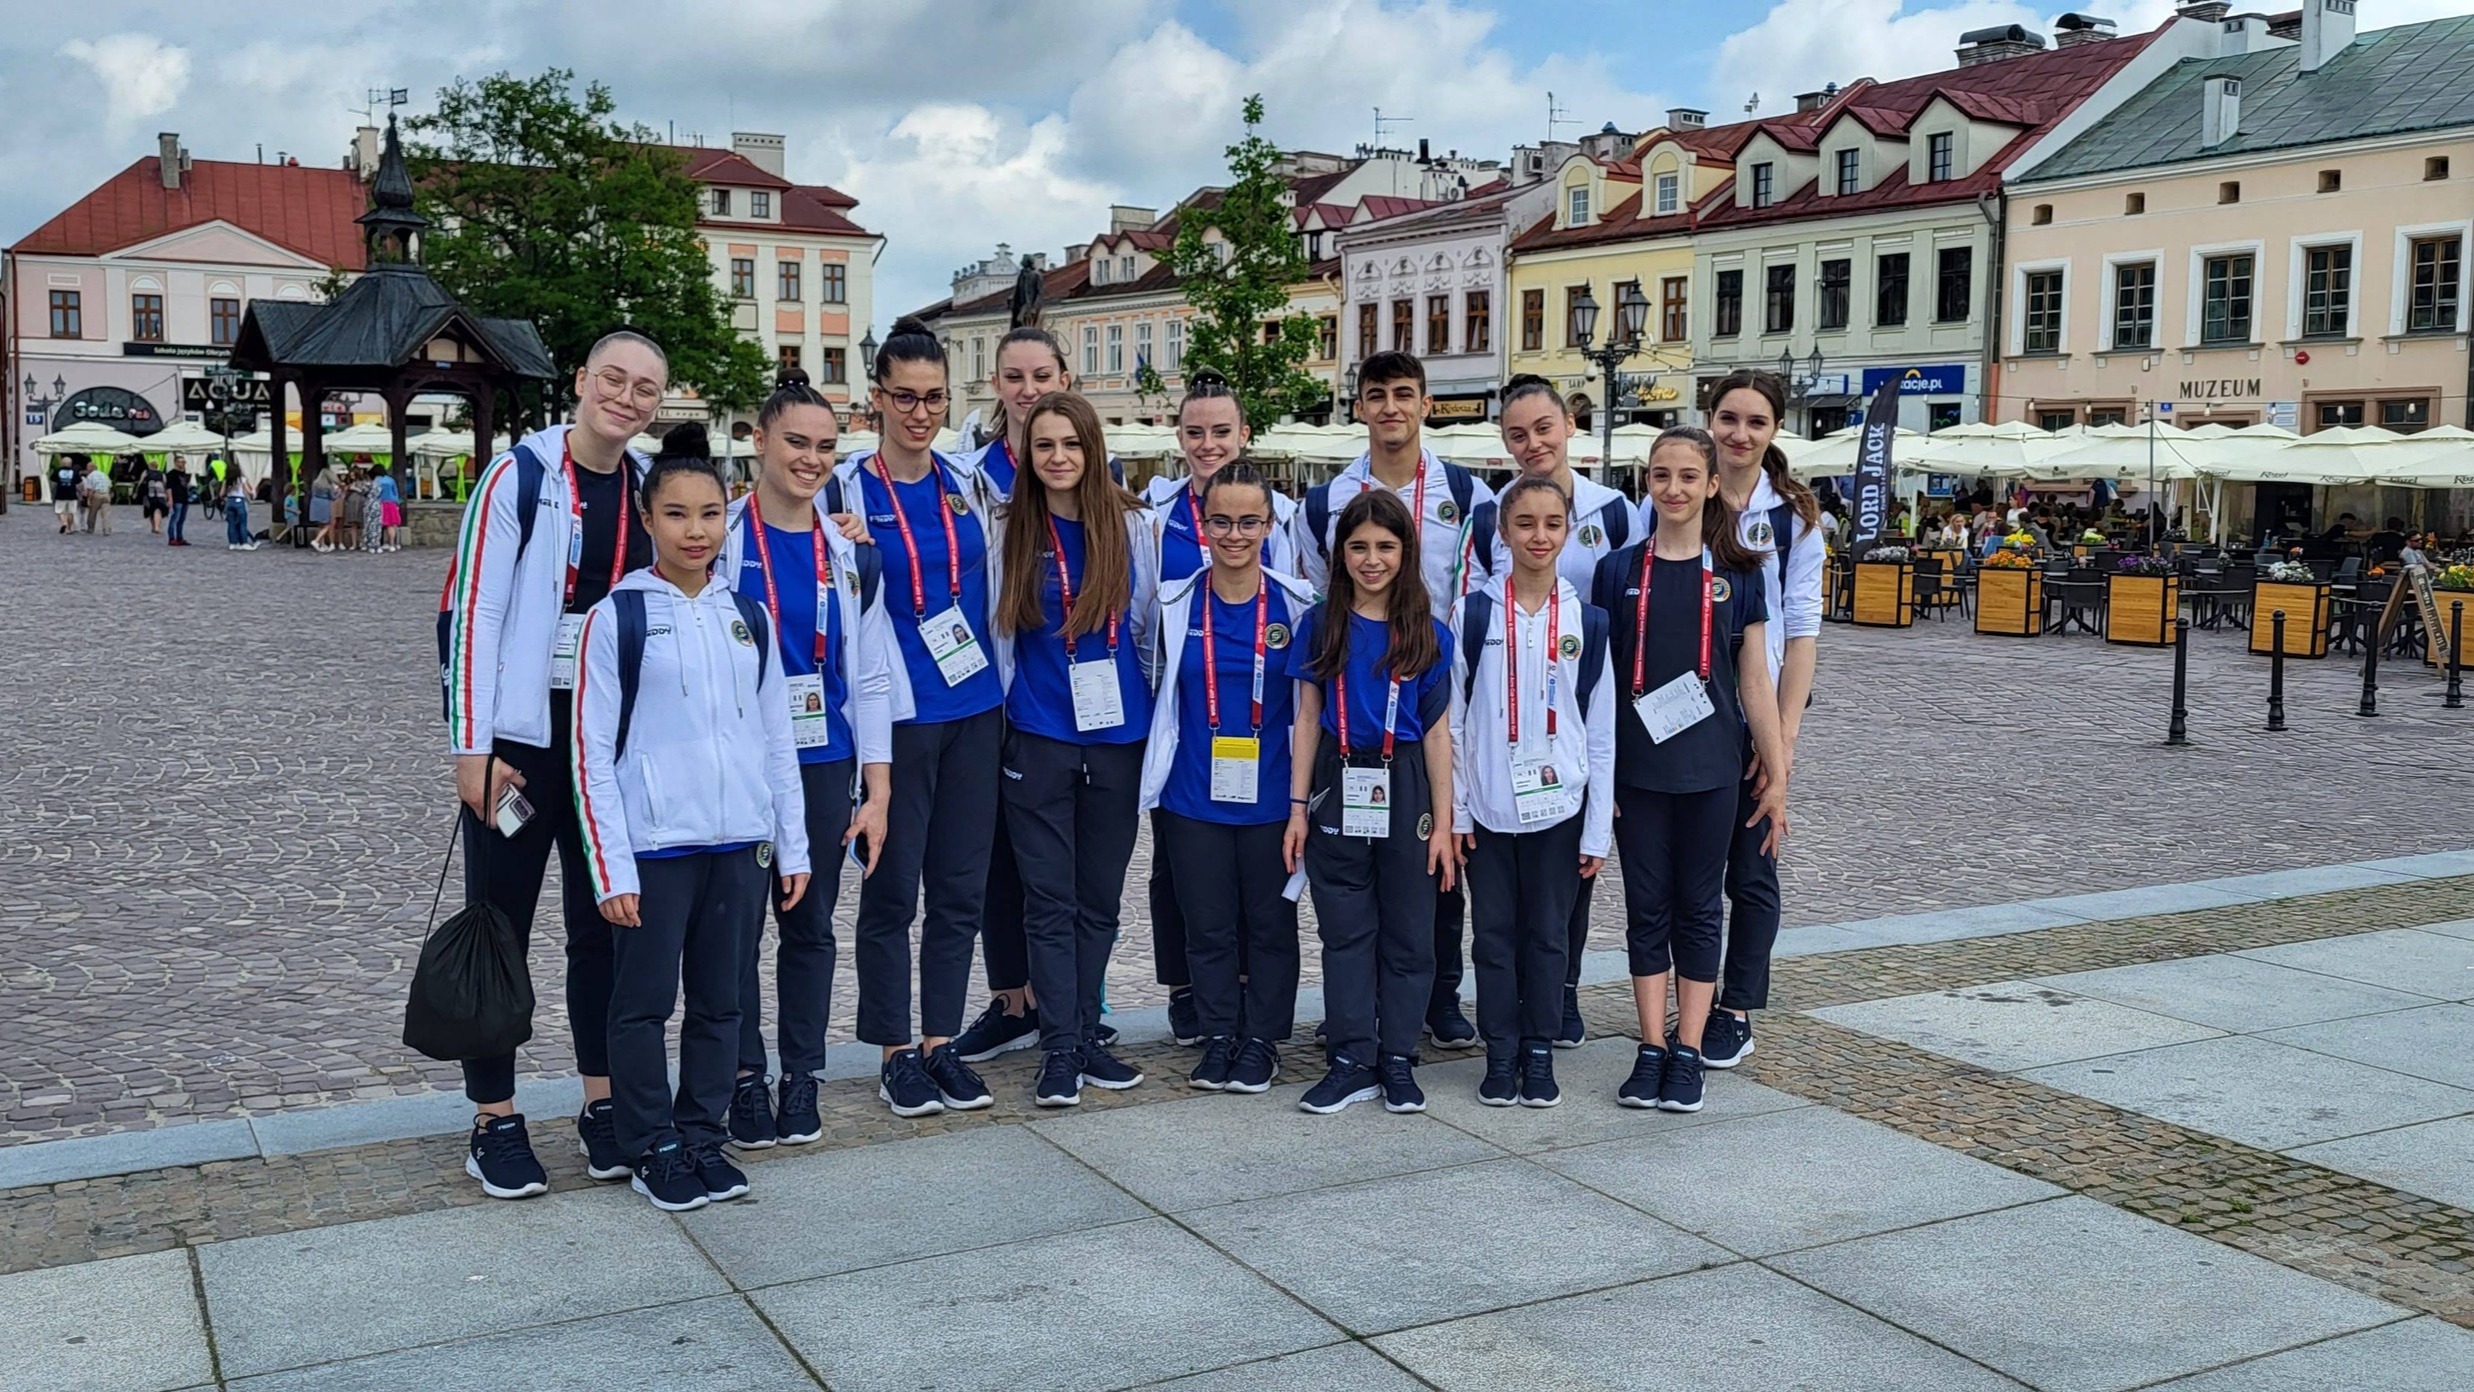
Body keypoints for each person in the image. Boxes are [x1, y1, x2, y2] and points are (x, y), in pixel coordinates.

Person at [438, 328, 663, 1198]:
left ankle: (601, 1102)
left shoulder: (645, 487)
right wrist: (471, 749)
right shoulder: (520, 477)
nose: (628, 398)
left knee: (603, 925)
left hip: (601, 747)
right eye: (615, 378)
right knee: (499, 929)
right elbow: (473, 615)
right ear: (581, 380)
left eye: (645, 389)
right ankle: (492, 1116)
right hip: (520, 748)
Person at [571, 428, 812, 1211]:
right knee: (642, 1005)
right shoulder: (619, 618)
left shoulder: (748, 616)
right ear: (649, 520)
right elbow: (591, 754)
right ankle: (651, 1144)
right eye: (677, 514)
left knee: (722, 1002)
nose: (695, 529)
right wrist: (611, 867)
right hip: (655, 847)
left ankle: (702, 1134)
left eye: (710, 513)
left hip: (739, 843)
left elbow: (776, 738)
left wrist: (792, 845)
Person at [1290, 349, 1493, 1053]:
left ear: (1425, 403)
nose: (1390, 409)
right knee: (1357, 885)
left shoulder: (1467, 494)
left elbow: (1483, 592)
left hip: (1442, 685)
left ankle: (1435, 999)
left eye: (1404, 394)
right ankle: (1354, 1012)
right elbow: (1322, 594)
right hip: (1359, 700)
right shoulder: (1328, 501)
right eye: (1376, 395)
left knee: (1435, 857)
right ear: (1360, 406)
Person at [831, 315, 1007, 1118]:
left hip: (976, 708)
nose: (920, 412)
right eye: (904, 397)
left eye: (934, 397)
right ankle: (895, 1049)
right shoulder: (844, 492)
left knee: (960, 889)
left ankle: (940, 1041)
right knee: (892, 891)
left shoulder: (968, 484)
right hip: (896, 721)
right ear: (876, 400)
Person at [717, 376, 894, 1149]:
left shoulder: (850, 554)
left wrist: (878, 788)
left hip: (825, 759)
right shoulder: (716, 537)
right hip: (742, 759)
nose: (811, 460)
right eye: (796, 442)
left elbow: (875, 674)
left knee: (810, 923)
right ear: (760, 440)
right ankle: (744, 1076)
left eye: (826, 448)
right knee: (734, 928)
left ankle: (802, 1076)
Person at [1593, 427, 1789, 1112]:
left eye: (1686, 476)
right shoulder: (1618, 572)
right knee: (1647, 909)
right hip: (1638, 773)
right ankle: (1650, 1046)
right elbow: (1602, 683)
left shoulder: (1738, 575)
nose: (1672, 489)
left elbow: (1757, 682)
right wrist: (1599, 778)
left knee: (1700, 909)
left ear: (1711, 485)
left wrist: (1779, 771)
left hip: (1713, 773)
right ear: (1646, 483)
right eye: (1659, 476)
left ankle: (1690, 1049)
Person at [989, 390, 1158, 1107]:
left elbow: (1148, 626)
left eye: (1071, 445)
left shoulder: (1131, 526)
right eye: (1044, 445)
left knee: (1100, 901)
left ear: (1093, 451)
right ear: (1027, 454)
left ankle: (1088, 1031)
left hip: (1118, 737)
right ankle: (1060, 1047)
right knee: (1048, 902)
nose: (1058, 458)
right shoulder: (1007, 529)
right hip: (1040, 735)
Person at [1128, 370, 1300, 1051]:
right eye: (1195, 432)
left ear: (1243, 434)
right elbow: (1147, 638)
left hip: (1263, 756)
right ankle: (1199, 1004)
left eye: (1220, 431)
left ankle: (1258, 1020)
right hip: (1192, 754)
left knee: (1263, 905)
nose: (1208, 444)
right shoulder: (1154, 517)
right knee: (1190, 893)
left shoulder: (1283, 548)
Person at [1478, 374, 1639, 1049]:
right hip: (1511, 719)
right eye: (1517, 434)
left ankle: (1561, 992)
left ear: (1568, 425)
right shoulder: (1494, 510)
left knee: (1571, 873)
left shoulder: (1617, 510)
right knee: (1508, 895)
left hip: (1579, 711)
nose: (1532, 443)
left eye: (1543, 427)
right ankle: (1514, 1006)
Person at [1284, 488, 1457, 1116]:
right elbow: (1307, 718)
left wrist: (1443, 823)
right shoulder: (1320, 622)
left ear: (1406, 552)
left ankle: (1398, 1057)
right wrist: (1298, 808)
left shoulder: (1429, 633)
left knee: (1410, 932)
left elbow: (1438, 732)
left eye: (1386, 546)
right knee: (1345, 929)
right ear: (1340, 554)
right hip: (1340, 778)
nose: (1372, 559)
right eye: (1359, 546)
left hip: (1405, 780)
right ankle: (1353, 1057)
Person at [1450, 476, 1615, 1107]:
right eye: (1525, 523)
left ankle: (1539, 1048)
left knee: (1549, 935)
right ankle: (1500, 1049)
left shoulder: (1589, 621)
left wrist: (1596, 827)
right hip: (1489, 809)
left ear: (1567, 530)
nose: (1539, 536)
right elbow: (1457, 725)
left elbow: (1601, 737)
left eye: (1552, 523)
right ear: (1503, 531)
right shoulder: (1473, 614)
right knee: (1492, 935)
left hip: (1561, 810)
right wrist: (1459, 813)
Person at [942, 328, 1072, 1068]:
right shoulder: (970, 476)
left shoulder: (1085, 468)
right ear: (997, 383)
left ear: (1063, 379)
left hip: (1058, 695)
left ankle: (1071, 1001)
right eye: (1015, 377)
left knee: (1060, 862)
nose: (1028, 389)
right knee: (995, 854)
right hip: (985, 689)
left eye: (1042, 374)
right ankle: (1011, 998)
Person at [1700, 372, 1823, 1073]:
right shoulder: (1682, 491)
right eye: (1727, 418)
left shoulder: (1793, 516)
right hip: (1687, 712)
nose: (1739, 434)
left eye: (1755, 421)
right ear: (1709, 421)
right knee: (1691, 873)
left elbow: (1802, 630)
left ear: (1775, 429)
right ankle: (1689, 993)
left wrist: (1783, 739)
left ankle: (1736, 1005)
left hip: (1757, 714)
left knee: (1751, 872)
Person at [223, 467, 257, 550]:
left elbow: (222, 493)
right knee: (242, 523)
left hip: (230, 501)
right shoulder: (241, 479)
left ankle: (232, 543)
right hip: (239, 501)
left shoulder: (226, 480)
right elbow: (248, 491)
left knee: (231, 524)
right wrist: (253, 491)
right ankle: (244, 543)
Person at [310, 463, 341, 552]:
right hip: (324, 503)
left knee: (320, 524)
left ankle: (322, 544)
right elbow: (333, 497)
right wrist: (338, 492)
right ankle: (316, 541)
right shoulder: (328, 486)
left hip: (315, 502)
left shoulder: (315, 483)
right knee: (327, 525)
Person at [374, 466, 404, 552]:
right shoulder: (390, 480)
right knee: (391, 525)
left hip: (381, 503)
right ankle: (392, 544)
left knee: (379, 525)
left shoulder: (377, 480)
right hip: (392, 503)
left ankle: (379, 544)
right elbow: (395, 492)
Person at [82, 460, 113, 534]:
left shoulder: (90, 476)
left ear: (91, 468)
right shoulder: (104, 474)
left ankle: (91, 528)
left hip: (97, 494)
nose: (86, 469)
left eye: (87, 467)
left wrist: (89, 500)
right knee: (105, 514)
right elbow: (109, 485)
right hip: (106, 494)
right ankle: (106, 529)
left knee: (92, 512)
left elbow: (90, 489)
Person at [166, 462, 191, 547]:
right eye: (181, 462)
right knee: (174, 518)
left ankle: (179, 537)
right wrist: (170, 499)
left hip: (184, 498)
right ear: (176, 463)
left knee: (181, 520)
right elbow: (168, 487)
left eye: (184, 462)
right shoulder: (171, 474)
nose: (183, 464)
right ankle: (171, 538)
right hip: (176, 499)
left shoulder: (184, 473)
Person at [51, 457, 78, 534]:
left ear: (62, 463)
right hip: (72, 494)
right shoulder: (74, 471)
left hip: (60, 494)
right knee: (71, 512)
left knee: (59, 511)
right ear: (71, 464)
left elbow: (53, 479)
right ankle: (69, 529)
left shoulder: (57, 471)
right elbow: (78, 481)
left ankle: (64, 523)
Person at [141, 461, 168, 535]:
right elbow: (165, 483)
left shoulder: (146, 472)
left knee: (150, 510)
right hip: (160, 494)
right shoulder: (161, 473)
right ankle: (157, 527)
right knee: (158, 510)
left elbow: (141, 481)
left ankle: (154, 527)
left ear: (149, 466)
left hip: (149, 494)